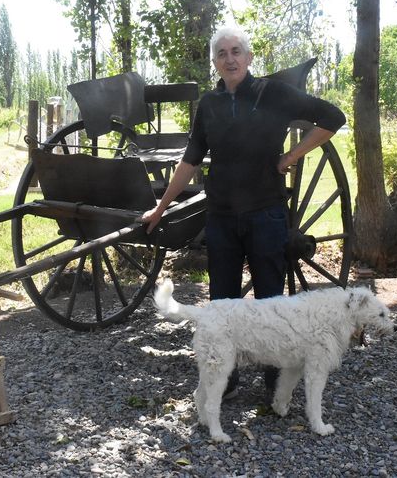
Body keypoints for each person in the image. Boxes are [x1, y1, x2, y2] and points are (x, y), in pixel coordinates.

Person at [141, 26, 346, 401]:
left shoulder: (274, 94)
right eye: (222, 53)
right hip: (220, 215)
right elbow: (190, 160)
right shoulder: (209, 104)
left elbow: (333, 117)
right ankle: (226, 379)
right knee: (223, 300)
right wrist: (161, 207)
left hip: (265, 212)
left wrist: (290, 157)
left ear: (249, 58)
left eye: (237, 51)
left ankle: (275, 381)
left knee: (271, 301)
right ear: (215, 63)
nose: (230, 59)